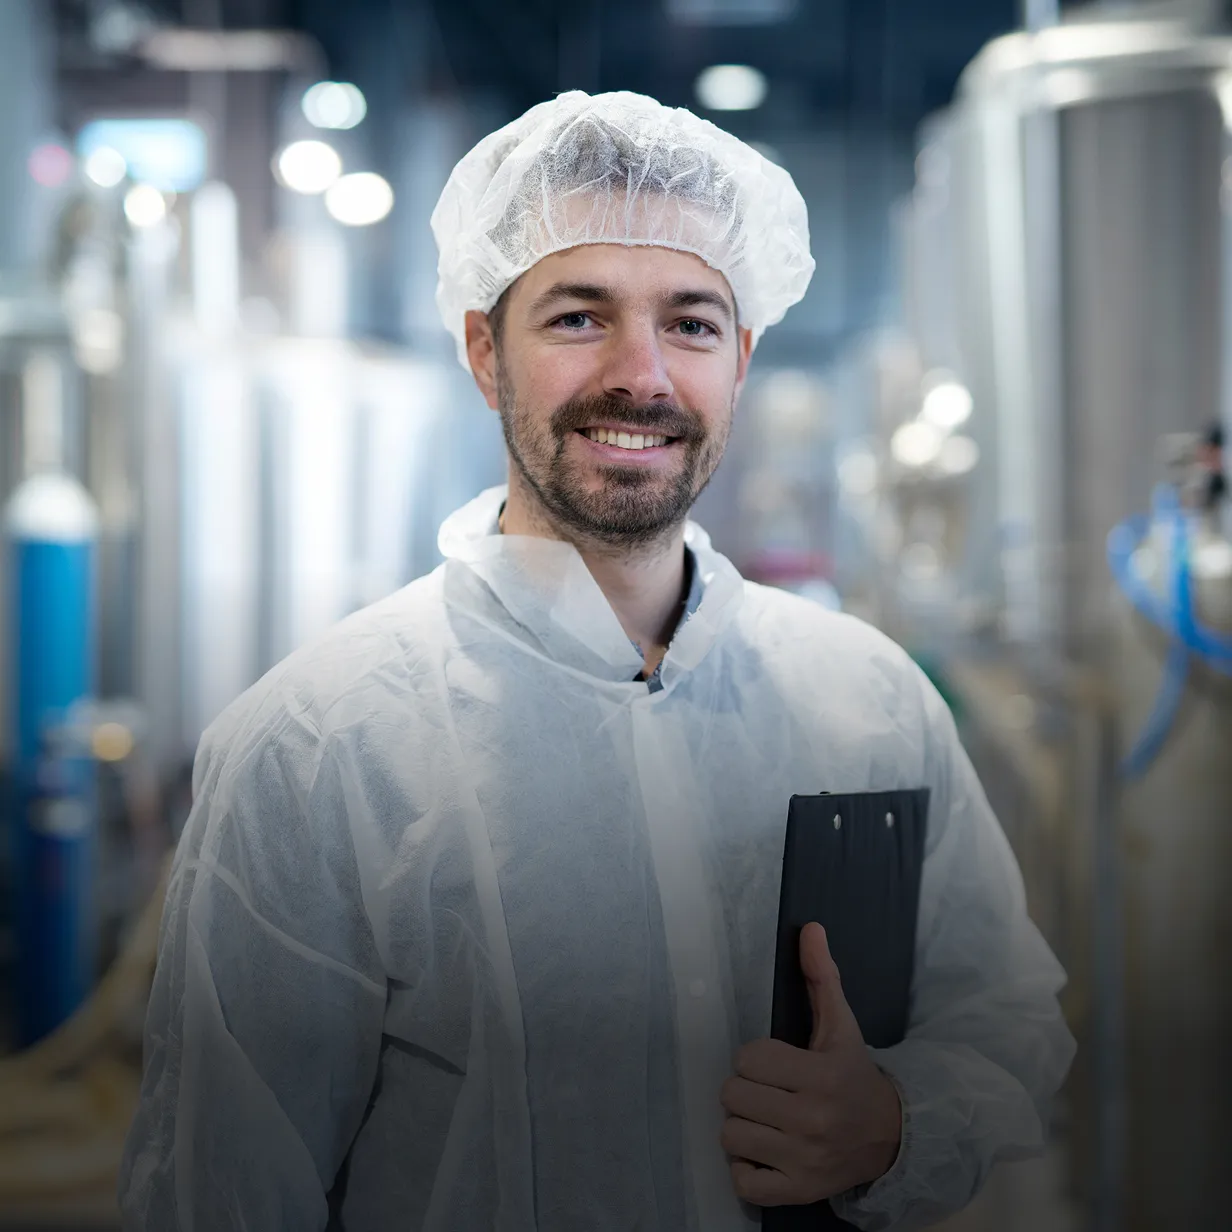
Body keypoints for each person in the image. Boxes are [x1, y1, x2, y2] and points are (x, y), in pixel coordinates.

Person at [118, 91, 1075, 1231]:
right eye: (578, 317)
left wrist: (895, 1120)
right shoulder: (319, 746)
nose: (643, 375)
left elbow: (1006, 1023)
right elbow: (219, 1189)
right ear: (484, 349)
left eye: (691, 322)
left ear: (743, 356)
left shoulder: (864, 699)